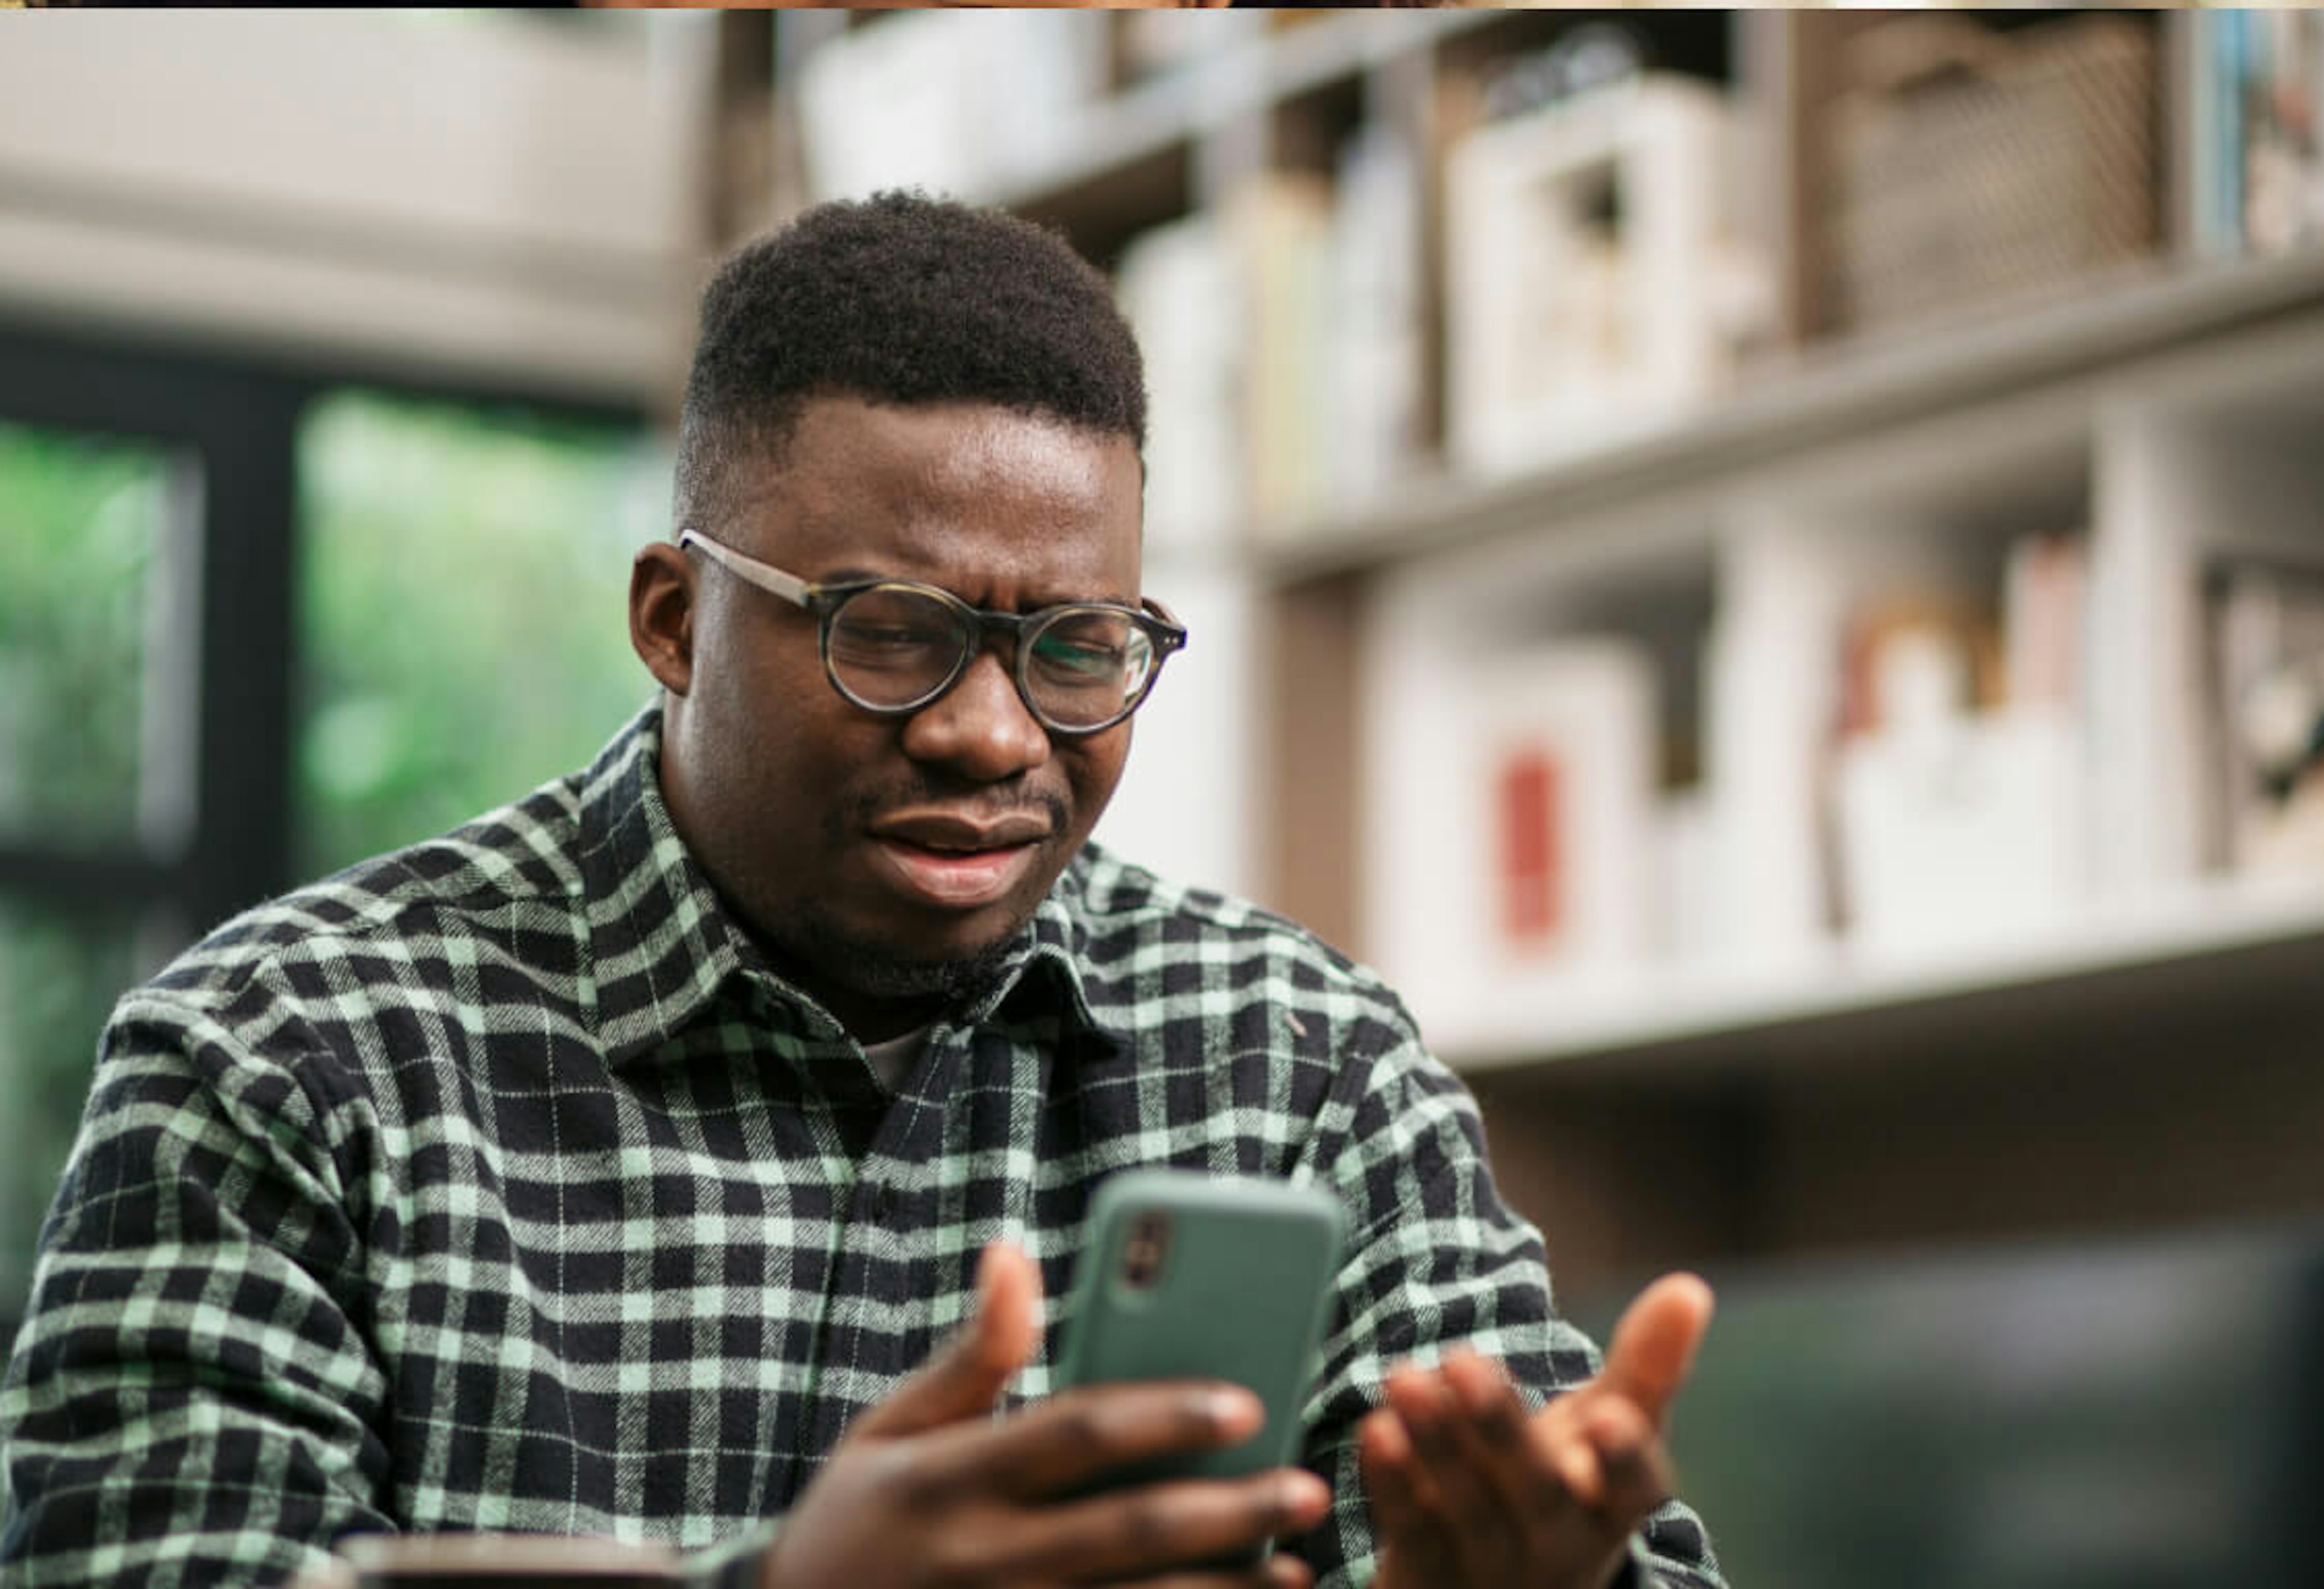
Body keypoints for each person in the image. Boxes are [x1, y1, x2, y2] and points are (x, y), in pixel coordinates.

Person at [1, 193, 1725, 1589]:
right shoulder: (289, 1056)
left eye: (1079, 648)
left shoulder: (1302, 1065)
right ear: (676, 618)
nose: (994, 734)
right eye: (892, 633)